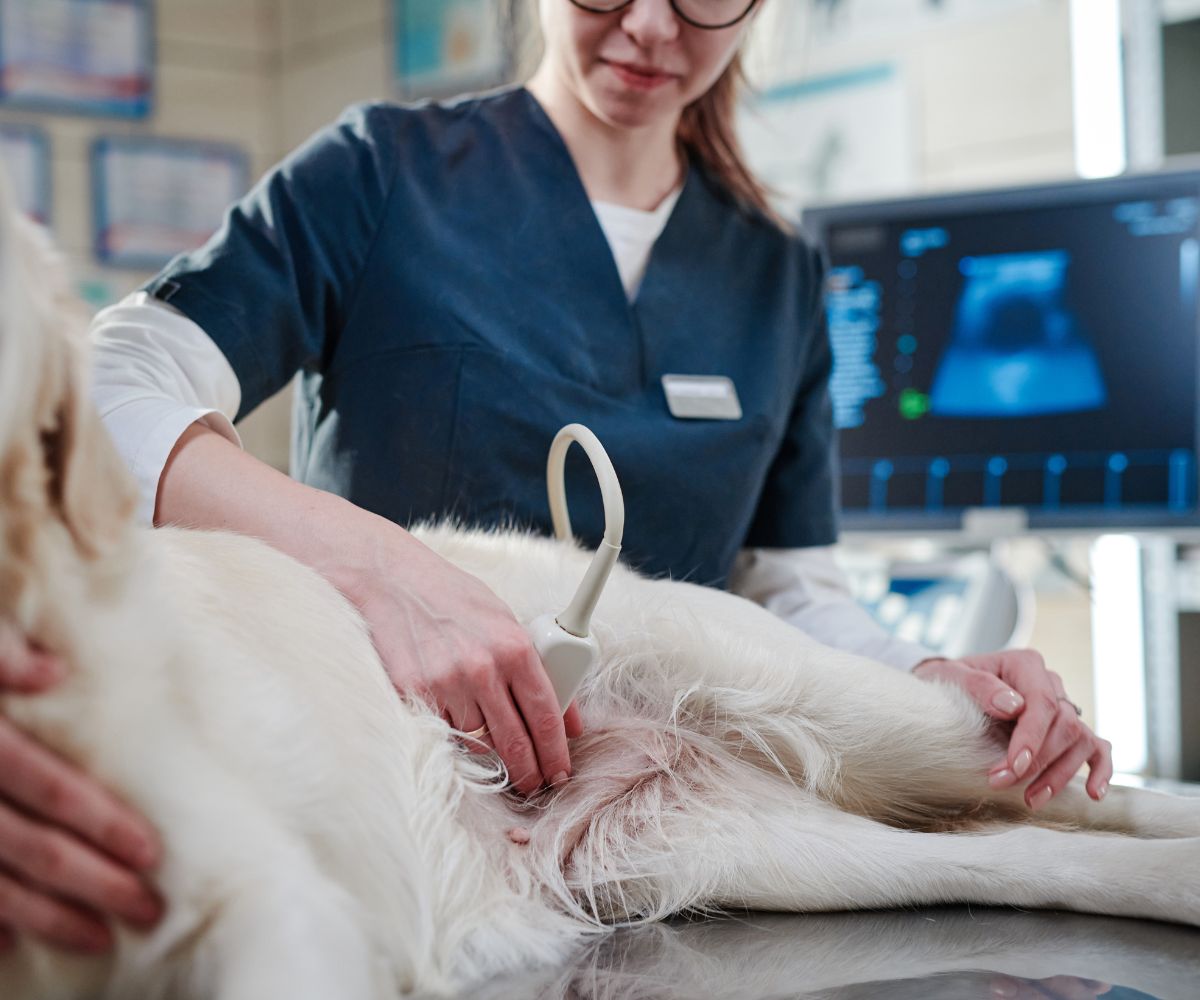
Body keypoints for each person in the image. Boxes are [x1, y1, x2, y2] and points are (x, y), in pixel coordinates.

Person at [0, 0, 1111, 955]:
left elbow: (791, 589)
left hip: (673, 839)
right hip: (406, 801)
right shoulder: (382, 174)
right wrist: (387, 572)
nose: (649, 26)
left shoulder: (775, 270)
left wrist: (931, 681)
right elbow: (110, 383)